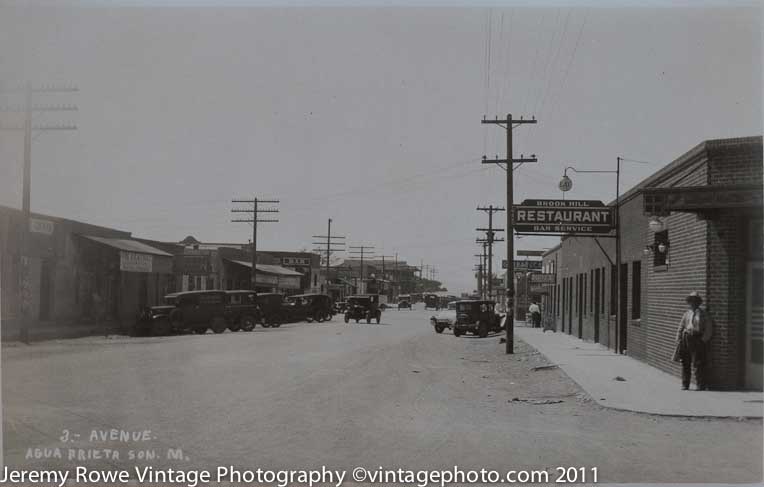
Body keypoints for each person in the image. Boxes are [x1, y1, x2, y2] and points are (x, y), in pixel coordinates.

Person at [674, 291, 712, 391]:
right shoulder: (686, 313)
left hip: (697, 339)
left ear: (698, 302)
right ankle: (685, 384)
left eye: (695, 301)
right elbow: (681, 326)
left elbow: (708, 328)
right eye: (691, 301)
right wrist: (678, 338)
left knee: (698, 362)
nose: (693, 303)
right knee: (685, 362)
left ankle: (700, 385)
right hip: (686, 338)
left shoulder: (703, 314)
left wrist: (703, 340)